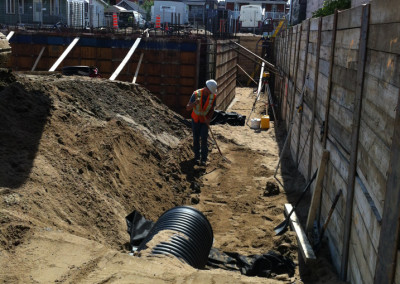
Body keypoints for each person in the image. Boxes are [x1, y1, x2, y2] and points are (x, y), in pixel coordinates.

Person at [186, 79, 217, 166]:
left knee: (204, 138)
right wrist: (195, 103)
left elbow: (212, 109)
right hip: (195, 120)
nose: (211, 93)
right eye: (210, 91)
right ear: (206, 88)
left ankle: (203, 159)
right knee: (196, 139)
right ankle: (196, 157)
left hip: (204, 121)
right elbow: (188, 107)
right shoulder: (196, 94)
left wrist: (209, 119)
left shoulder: (213, 96)